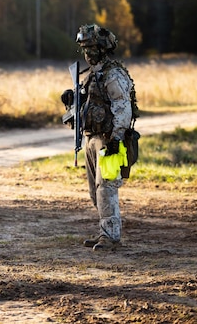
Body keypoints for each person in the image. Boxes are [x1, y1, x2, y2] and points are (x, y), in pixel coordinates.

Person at [62, 24, 134, 251]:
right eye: (85, 48)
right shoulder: (92, 75)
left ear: (103, 48)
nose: (87, 53)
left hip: (108, 140)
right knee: (95, 190)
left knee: (106, 188)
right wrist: (72, 100)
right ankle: (106, 231)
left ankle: (111, 237)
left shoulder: (113, 74)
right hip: (91, 138)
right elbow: (88, 106)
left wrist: (116, 138)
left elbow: (123, 107)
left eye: (92, 48)